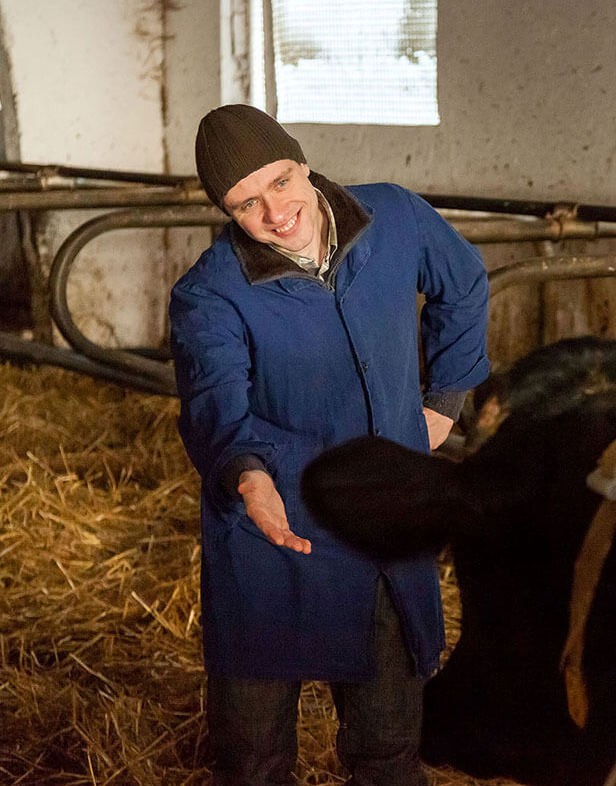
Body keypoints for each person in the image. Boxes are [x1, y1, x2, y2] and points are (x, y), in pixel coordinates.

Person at [169, 104, 490, 786]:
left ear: (303, 163)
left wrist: (445, 402)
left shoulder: (394, 218)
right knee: (254, 759)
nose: (276, 212)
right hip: (271, 530)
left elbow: (463, 284)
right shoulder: (210, 294)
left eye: (281, 182)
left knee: (389, 752)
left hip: (379, 522)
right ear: (227, 212)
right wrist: (247, 475)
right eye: (246, 203)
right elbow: (214, 401)